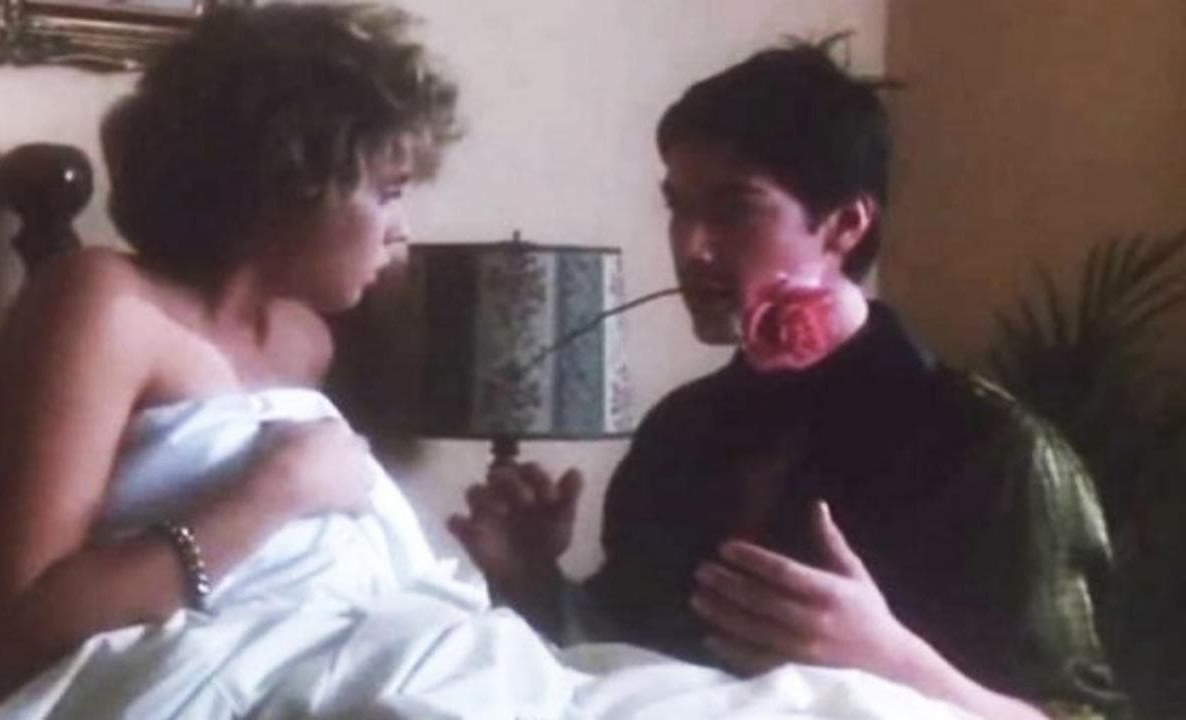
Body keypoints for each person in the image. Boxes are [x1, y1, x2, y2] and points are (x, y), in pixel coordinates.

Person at [449, 41, 1126, 720]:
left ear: (846, 224)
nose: (690, 246)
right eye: (678, 208)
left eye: (734, 209)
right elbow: (630, 665)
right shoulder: (679, 431)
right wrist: (535, 581)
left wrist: (892, 659)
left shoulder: (997, 453)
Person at [0, 2, 458, 702]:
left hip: (357, 649)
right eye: (388, 193)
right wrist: (276, 492)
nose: (401, 231)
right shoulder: (105, 303)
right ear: (292, 183)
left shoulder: (306, 339)